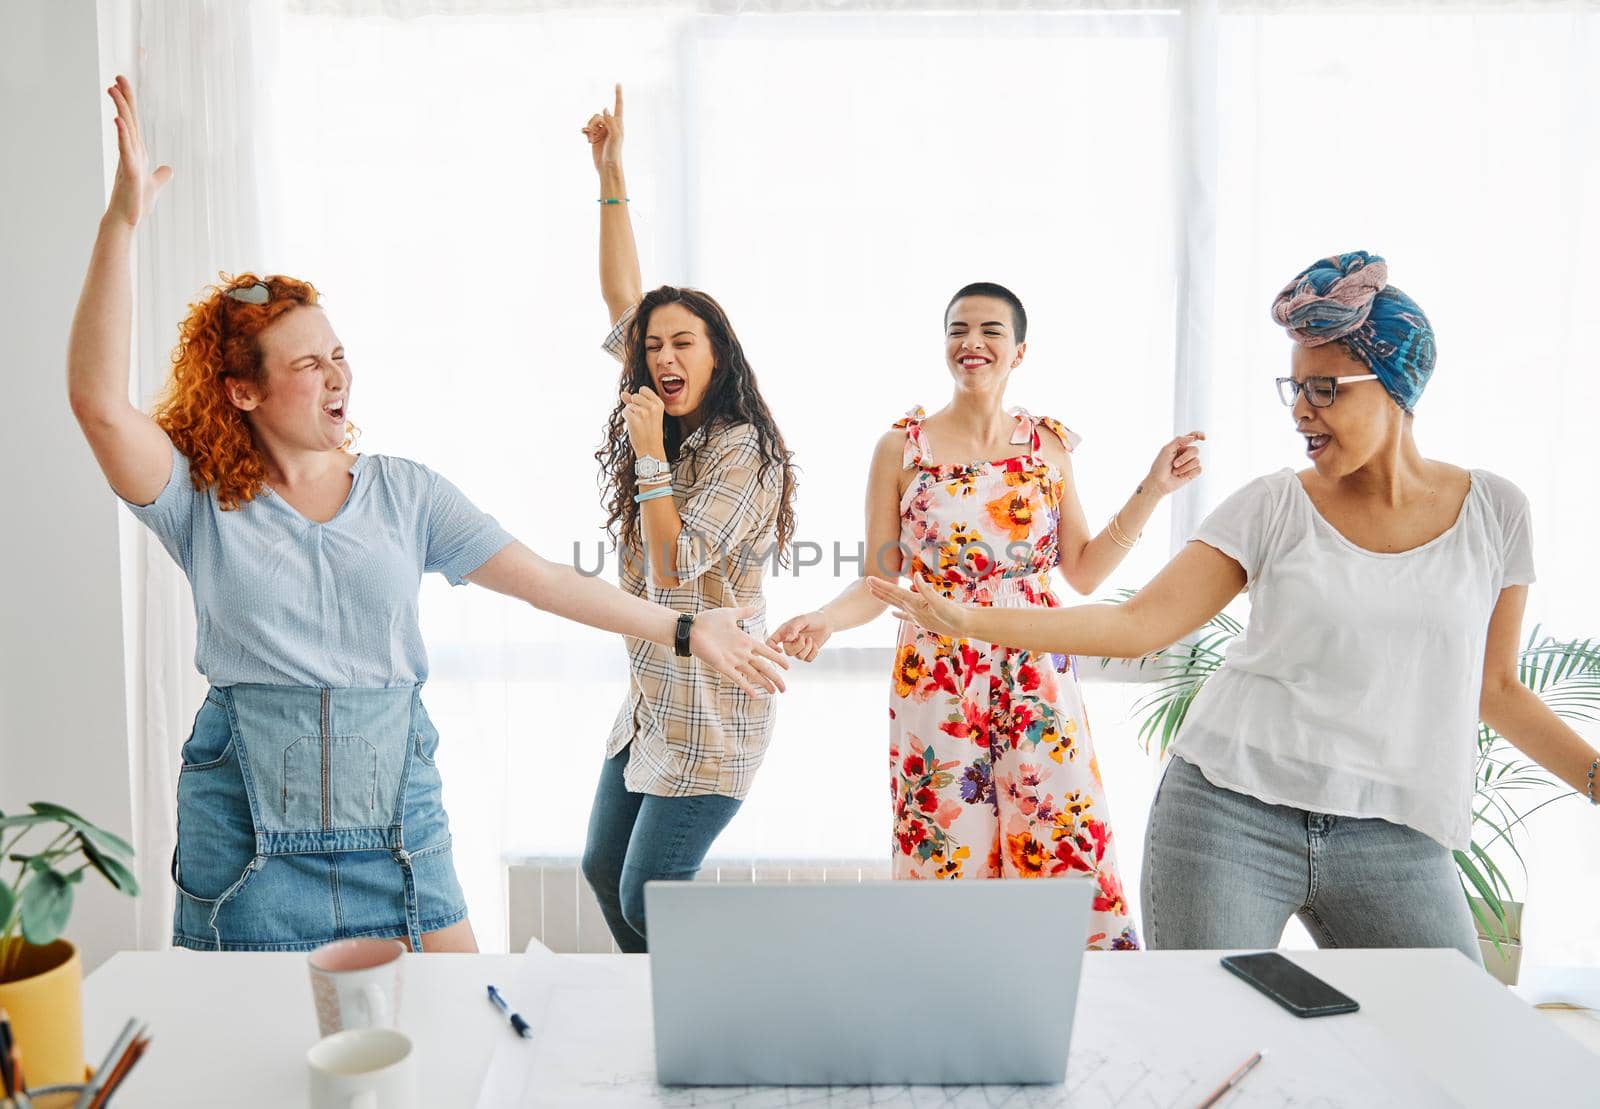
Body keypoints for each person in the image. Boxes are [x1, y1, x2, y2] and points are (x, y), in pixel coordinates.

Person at [67, 76, 787, 953]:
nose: (337, 375)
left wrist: (687, 631)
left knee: (462, 1030)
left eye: (339, 354)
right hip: (247, 829)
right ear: (242, 390)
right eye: (307, 364)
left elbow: (545, 582)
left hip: (396, 822)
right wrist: (123, 220)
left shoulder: (406, 492)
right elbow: (100, 404)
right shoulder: (198, 502)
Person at [870, 252, 1600, 959]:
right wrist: (965, 619)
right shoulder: (1273, 505)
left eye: (1325, 389)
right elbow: (1136, 623)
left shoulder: (1495, 511)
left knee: (1454, 1050)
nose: (1302, 413)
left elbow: (1496, 687)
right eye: (1294, 390)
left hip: (1395, 829)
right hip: (1230, 813)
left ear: (1392, 384)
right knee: (1208, 1040)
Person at [771, 280, 1203, 950]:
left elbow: (1083, 570)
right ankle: (954, 1006)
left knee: (1056, 829)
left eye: (990, 330)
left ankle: (1080, 1005)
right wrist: (826, 618)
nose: (971, 342)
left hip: (1035, 660)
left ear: (1019, 351)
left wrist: (1153, 489)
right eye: (957, 329)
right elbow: (879, 579)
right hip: (938, 672)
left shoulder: (1046, 446)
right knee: (947, 843)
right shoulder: (901, 448)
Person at [578, 86, 799, 951]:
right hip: (651, 700)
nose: (662, 356)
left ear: (719, 356)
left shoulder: (745, 451)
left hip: (713, 714)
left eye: (684, 344)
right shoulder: (663, 420)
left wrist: (648, 458)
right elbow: (621, 293)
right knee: (603, 870)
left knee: (648, 900)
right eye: (654, 346)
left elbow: (675, 571)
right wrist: (610, 175)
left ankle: (711, 1014)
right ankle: (655, 1011)